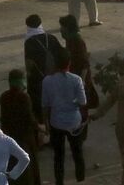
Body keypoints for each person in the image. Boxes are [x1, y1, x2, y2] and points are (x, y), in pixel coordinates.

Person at [38, 49, 87, 185]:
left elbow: (45, 105)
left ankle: (59, 182)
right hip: (74, 122)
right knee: (78, 154)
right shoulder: (76, 80)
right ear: (69, 63)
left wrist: (46, 124)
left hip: (56, 123)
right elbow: (83, 102)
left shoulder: (47, 81)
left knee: (58, 156)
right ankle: (81, 180)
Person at [0, 71, 44, 185]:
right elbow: (29, 118)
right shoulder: (24, 97)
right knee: (29, 166)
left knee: (13, 164)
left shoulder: (4, 97)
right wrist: (41, 128)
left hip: (10, 135)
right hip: (25, 137)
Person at [21, 16, 62, 117]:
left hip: (37, 78)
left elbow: (29, 62)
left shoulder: (29, 41)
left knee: (38, 102)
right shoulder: (51, 37)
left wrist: (28, 76)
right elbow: (61, 54)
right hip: (54, 74)